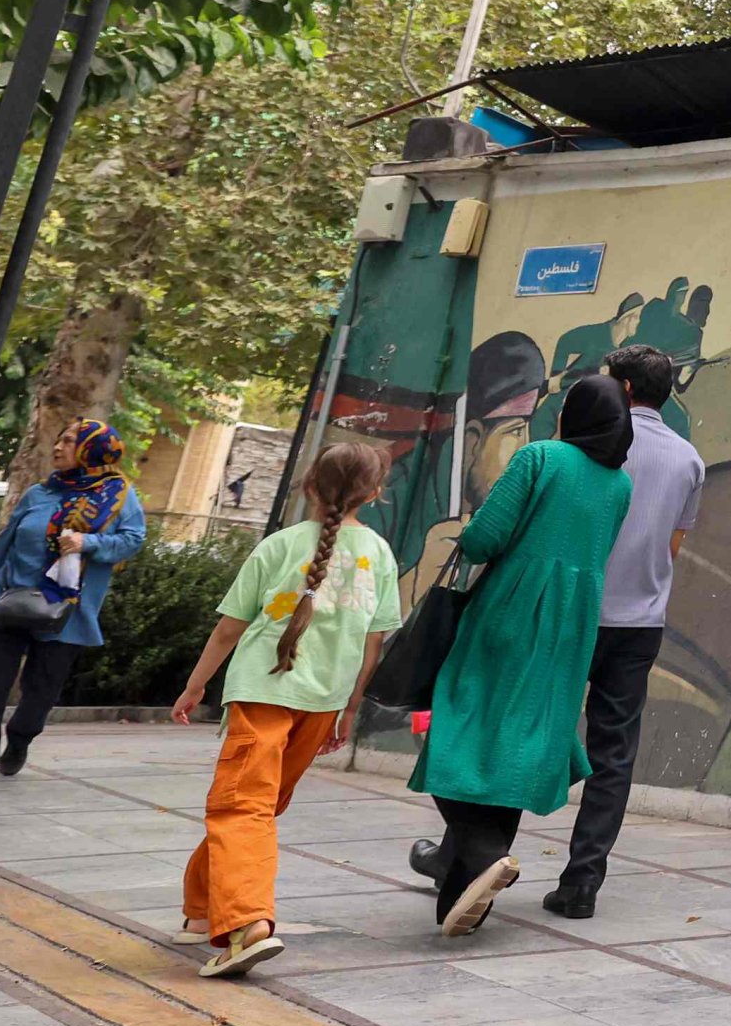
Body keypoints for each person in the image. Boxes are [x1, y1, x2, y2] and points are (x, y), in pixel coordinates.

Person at [169, 440, 404, 979]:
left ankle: (247, 923)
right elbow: (374, 645)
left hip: (261, 693)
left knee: (243, 808)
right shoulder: (380, 556)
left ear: (309, 486)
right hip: (323, 702)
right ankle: (203, 909)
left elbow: (230, 627)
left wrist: (195, 685)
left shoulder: (278, 546)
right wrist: (350, 709)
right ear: (374, 493)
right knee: (255, 806)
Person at [410, 373, 633, 936]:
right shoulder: (619, 484)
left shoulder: (539, 457)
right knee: (521, 738)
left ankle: (482, 850)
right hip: (572, 624)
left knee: (457, 721)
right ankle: (466, 885)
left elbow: (484, 539)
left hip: (511, 609)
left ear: (573, 415)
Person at [550, 343, 702, 920]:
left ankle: (477, 854)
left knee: (529, 724)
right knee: (614, 755)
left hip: (573, 613)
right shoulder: (689, 459)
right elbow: (673, 548)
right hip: (640, 624)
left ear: (625, 390)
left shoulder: (587, 449)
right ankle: (582, 883)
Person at [0, 418, 148, 790]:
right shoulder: (39, 493)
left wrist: (89, 544)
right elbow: (0, 549)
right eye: (59, 440)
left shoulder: (117, 495)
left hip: (65, 612)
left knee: (39, 695)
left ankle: (20, 738)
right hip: (9, 605)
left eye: (69, 441)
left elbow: (132, 540)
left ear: (92, 449)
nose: (58, 446)